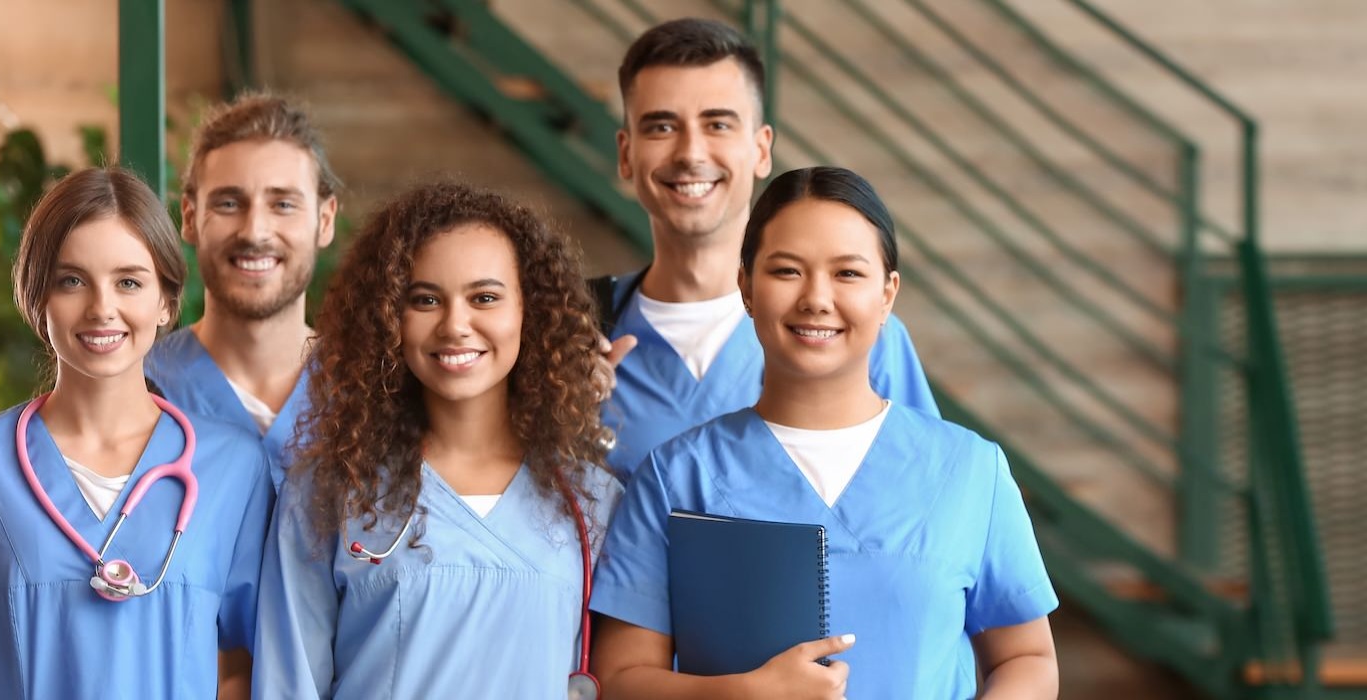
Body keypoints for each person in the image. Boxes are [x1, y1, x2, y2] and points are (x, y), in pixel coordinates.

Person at [590, 167, 1060, 699]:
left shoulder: (970, 470)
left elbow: (1027, 657)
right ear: (745, 287)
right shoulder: (675, 476)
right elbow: (622, 680)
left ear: (887, 294)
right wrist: (747, 694)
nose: (816, 298)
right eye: (787, 271)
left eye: (848, 274)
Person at [0, 168, 274, 698]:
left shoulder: (232, 468)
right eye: (71, 280)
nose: (102, 308)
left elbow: (242, 664)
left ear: (165, 302)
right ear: (38, 300)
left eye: (129, 281)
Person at [254, 182, 623, 698]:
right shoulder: (329, 491)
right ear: (389, 318)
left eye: (485, 298)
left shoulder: (590, 502)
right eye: (425, 299)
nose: (455, 325)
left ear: (528, 311)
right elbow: (285, 683)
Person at [596, 18, 939, 481]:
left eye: (718, 123)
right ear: (625, 154)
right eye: (661, 127)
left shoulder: (857, 334)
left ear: (761, 150)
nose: (691, 152)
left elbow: (926, 502)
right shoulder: (575, 337)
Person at [146, 94, 340, 487]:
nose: (254, 232)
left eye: (283, 204)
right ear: (189, 217)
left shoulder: (369, 394)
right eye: (230, 203)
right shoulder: (139, 388)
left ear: (325, 220)